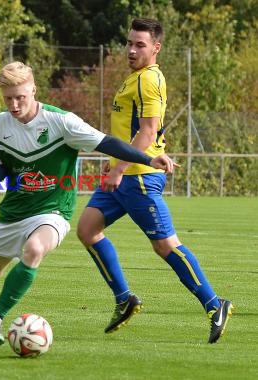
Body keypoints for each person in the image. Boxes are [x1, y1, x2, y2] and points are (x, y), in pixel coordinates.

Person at [0, 60, 177, 349]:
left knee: (35, 249)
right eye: (8, 98)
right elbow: (2, 170)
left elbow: (108, 143)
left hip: (53, 211)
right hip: (13, 212)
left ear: (34, 90)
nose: (14, 105)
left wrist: (149, 159)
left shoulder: (61, 122)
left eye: (20, 97)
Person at [76, 18, 233, 344]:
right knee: (87, 229)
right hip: (122, 176)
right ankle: (124, 299)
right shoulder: (134, 78)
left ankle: (215, 304)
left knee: (165, 245)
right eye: (130, 43)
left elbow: (148, 130)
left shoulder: (149, 80)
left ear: (156, 48)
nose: (132, 50)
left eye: (140, 44)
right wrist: (115, 169)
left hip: (138, 178)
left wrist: (118, 169)